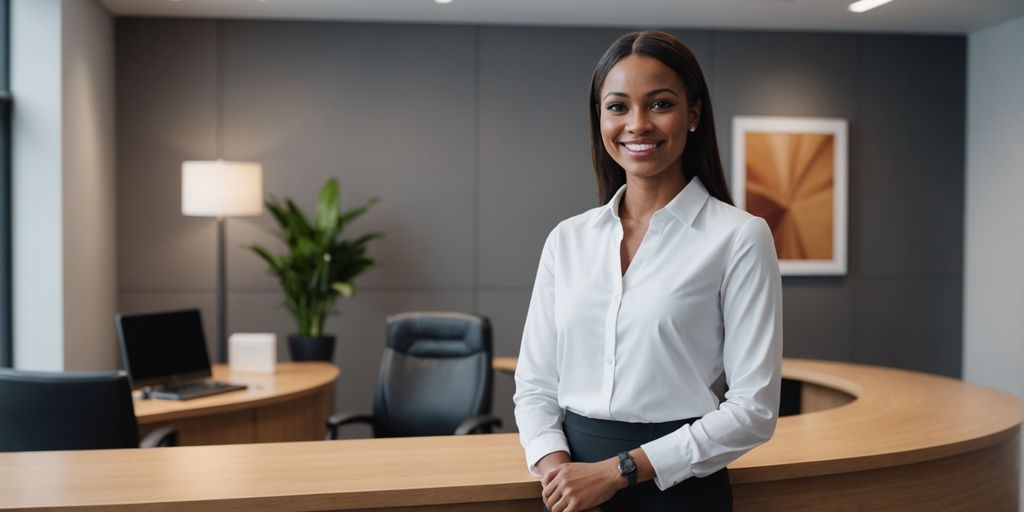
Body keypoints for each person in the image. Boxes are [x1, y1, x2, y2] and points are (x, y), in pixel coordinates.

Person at [513, 31, 783, 512]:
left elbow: (753, 411)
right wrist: (559, 473)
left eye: (659, 104)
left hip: (680, 490)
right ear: (600, 118)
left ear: (693, 114)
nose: (637, 124)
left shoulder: (739, 237)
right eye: (617, 107)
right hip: (573, 490)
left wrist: (619, 471)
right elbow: (535, 384)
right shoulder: (567, 240)